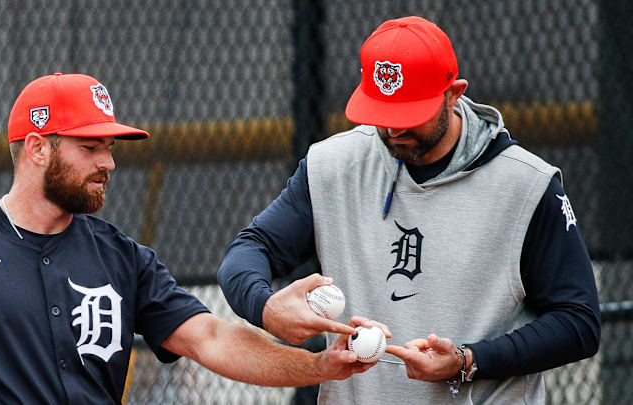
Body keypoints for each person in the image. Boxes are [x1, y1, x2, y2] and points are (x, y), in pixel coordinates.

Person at [0, 73, 383, 404]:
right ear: (37, 147)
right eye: (90, 147)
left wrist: (318, 367)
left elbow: (211, 338)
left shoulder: (122, 258)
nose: (108, 163)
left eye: (110, 148)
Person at [218, 16, 601, 404]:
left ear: (453, 93)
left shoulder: (526, 183)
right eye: (383, 113)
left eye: (409, 114)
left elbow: (578, 322)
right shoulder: (332, 165)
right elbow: (248, 252)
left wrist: (468, 360)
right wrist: (266, 306)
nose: (394, 130)